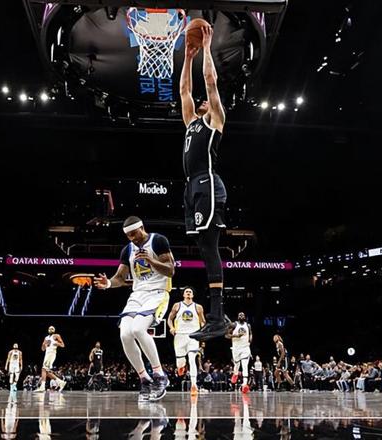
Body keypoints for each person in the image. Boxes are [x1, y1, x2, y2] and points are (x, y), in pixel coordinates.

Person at [180, 24, 229, 341]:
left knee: (209, 245)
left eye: (206, 100)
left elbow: (210, 82)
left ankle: (217, 317)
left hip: (208, 183)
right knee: (203, 246)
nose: (202, 101)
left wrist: (207, 49)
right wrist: (187, 57)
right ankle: (217, 315)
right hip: (192, 187)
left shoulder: (215, 119)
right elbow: (185, 91)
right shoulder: (191, 122)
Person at [94, 216, 175, 401]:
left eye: (134, 234)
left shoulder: (158, 240)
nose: (132, 238)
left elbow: (170, 270)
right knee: (125, 334)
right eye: (128, 235)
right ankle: (145, 379)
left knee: (138, 329)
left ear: (142, 228)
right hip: (137, 294)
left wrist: (150, 260)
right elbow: (120, 278)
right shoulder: (128, 250)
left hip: (158, 292)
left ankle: (160, 375)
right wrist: (108, 283)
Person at [167, 286, 206, 395]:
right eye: (186, 292)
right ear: (183, 294)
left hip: (193, 336)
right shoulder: (177, 305)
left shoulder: (198, 307)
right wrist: (171, 328)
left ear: (192, 295)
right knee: (180, 362)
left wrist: (202, 332)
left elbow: (203, 322)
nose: (188, 293)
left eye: (190, 292)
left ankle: (194, 385)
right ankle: (181, 366)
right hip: (180, 335)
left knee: (192, 359)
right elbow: (169, 319)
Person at [36, 326, 67, 392]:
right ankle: (60, 382)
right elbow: (43, 349)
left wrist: (56, 343)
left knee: (43, 369)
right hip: (46, 354)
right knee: (46, 372)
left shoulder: (56, 335)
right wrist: (43, 344)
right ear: (48, 330)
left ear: (54, 330)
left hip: (52, 354)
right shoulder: (46, 338)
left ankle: (42, 387)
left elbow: (63, 345)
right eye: (50, 328)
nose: (51, 329)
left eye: (52, 328)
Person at [227, 312, 252, 393]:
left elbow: (250, 334)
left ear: (245, 317)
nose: (241, 316)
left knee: (245, 366)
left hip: (245, 348)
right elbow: (226, 335)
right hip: (236, 348)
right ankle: (235, 373)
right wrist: (236, 336)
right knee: (237, 365)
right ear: (238, 317)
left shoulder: (248, 325)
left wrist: (250, 339)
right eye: (240, 315)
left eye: (243, 315)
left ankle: (245, 385)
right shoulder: (234, 325)